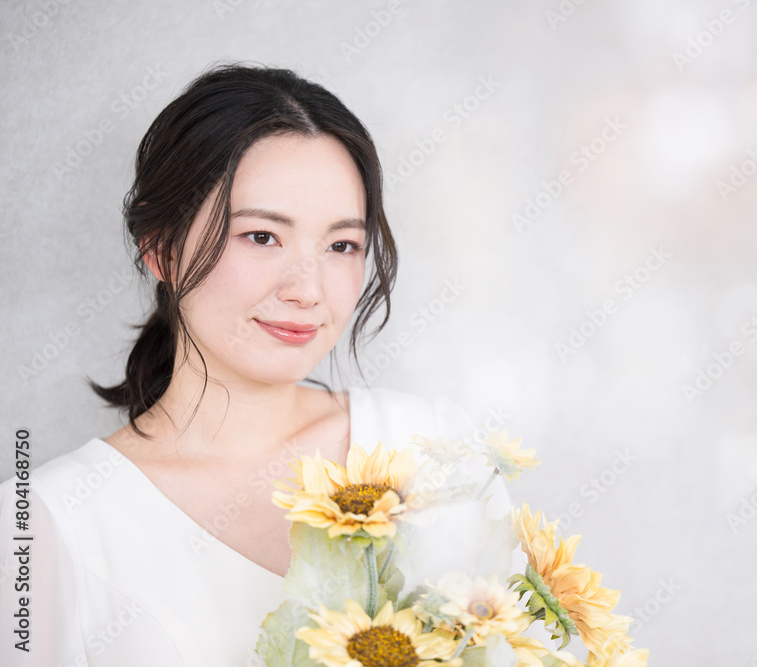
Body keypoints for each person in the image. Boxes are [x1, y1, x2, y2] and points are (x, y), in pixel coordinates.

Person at [0, 63, 508, 667]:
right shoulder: (44, 524)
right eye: (263, 236)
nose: (307, 290)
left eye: (341, 245)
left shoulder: (432, 450)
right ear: (160, 247)